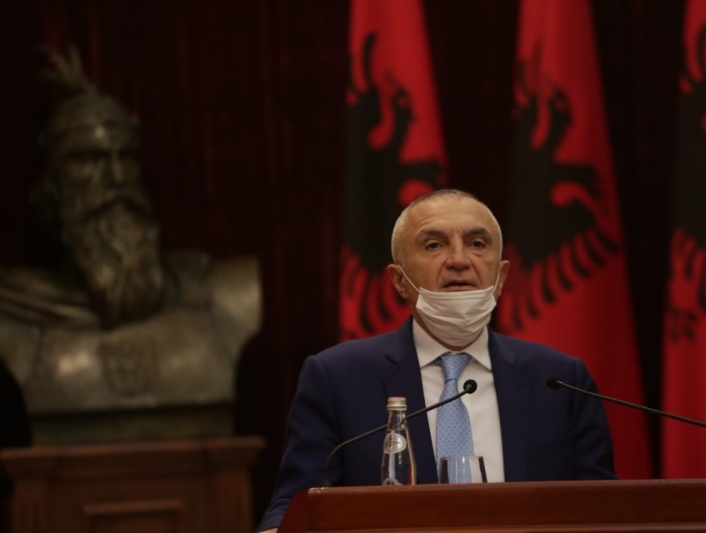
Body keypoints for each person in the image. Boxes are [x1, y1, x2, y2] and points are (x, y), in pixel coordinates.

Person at [257, 189, 615, 532]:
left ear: (502, 276)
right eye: (434, 245)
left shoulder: (561, 381)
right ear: (399, 280)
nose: (459, 260)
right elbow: (296, 504)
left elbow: (602, 508)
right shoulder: (337, 378)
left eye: (477, 244)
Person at [0, 47, 261, 443]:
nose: (117, 178)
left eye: (126, 158)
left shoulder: (227, 296)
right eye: (90, 160)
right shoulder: (14, 313)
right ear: (51, 191)